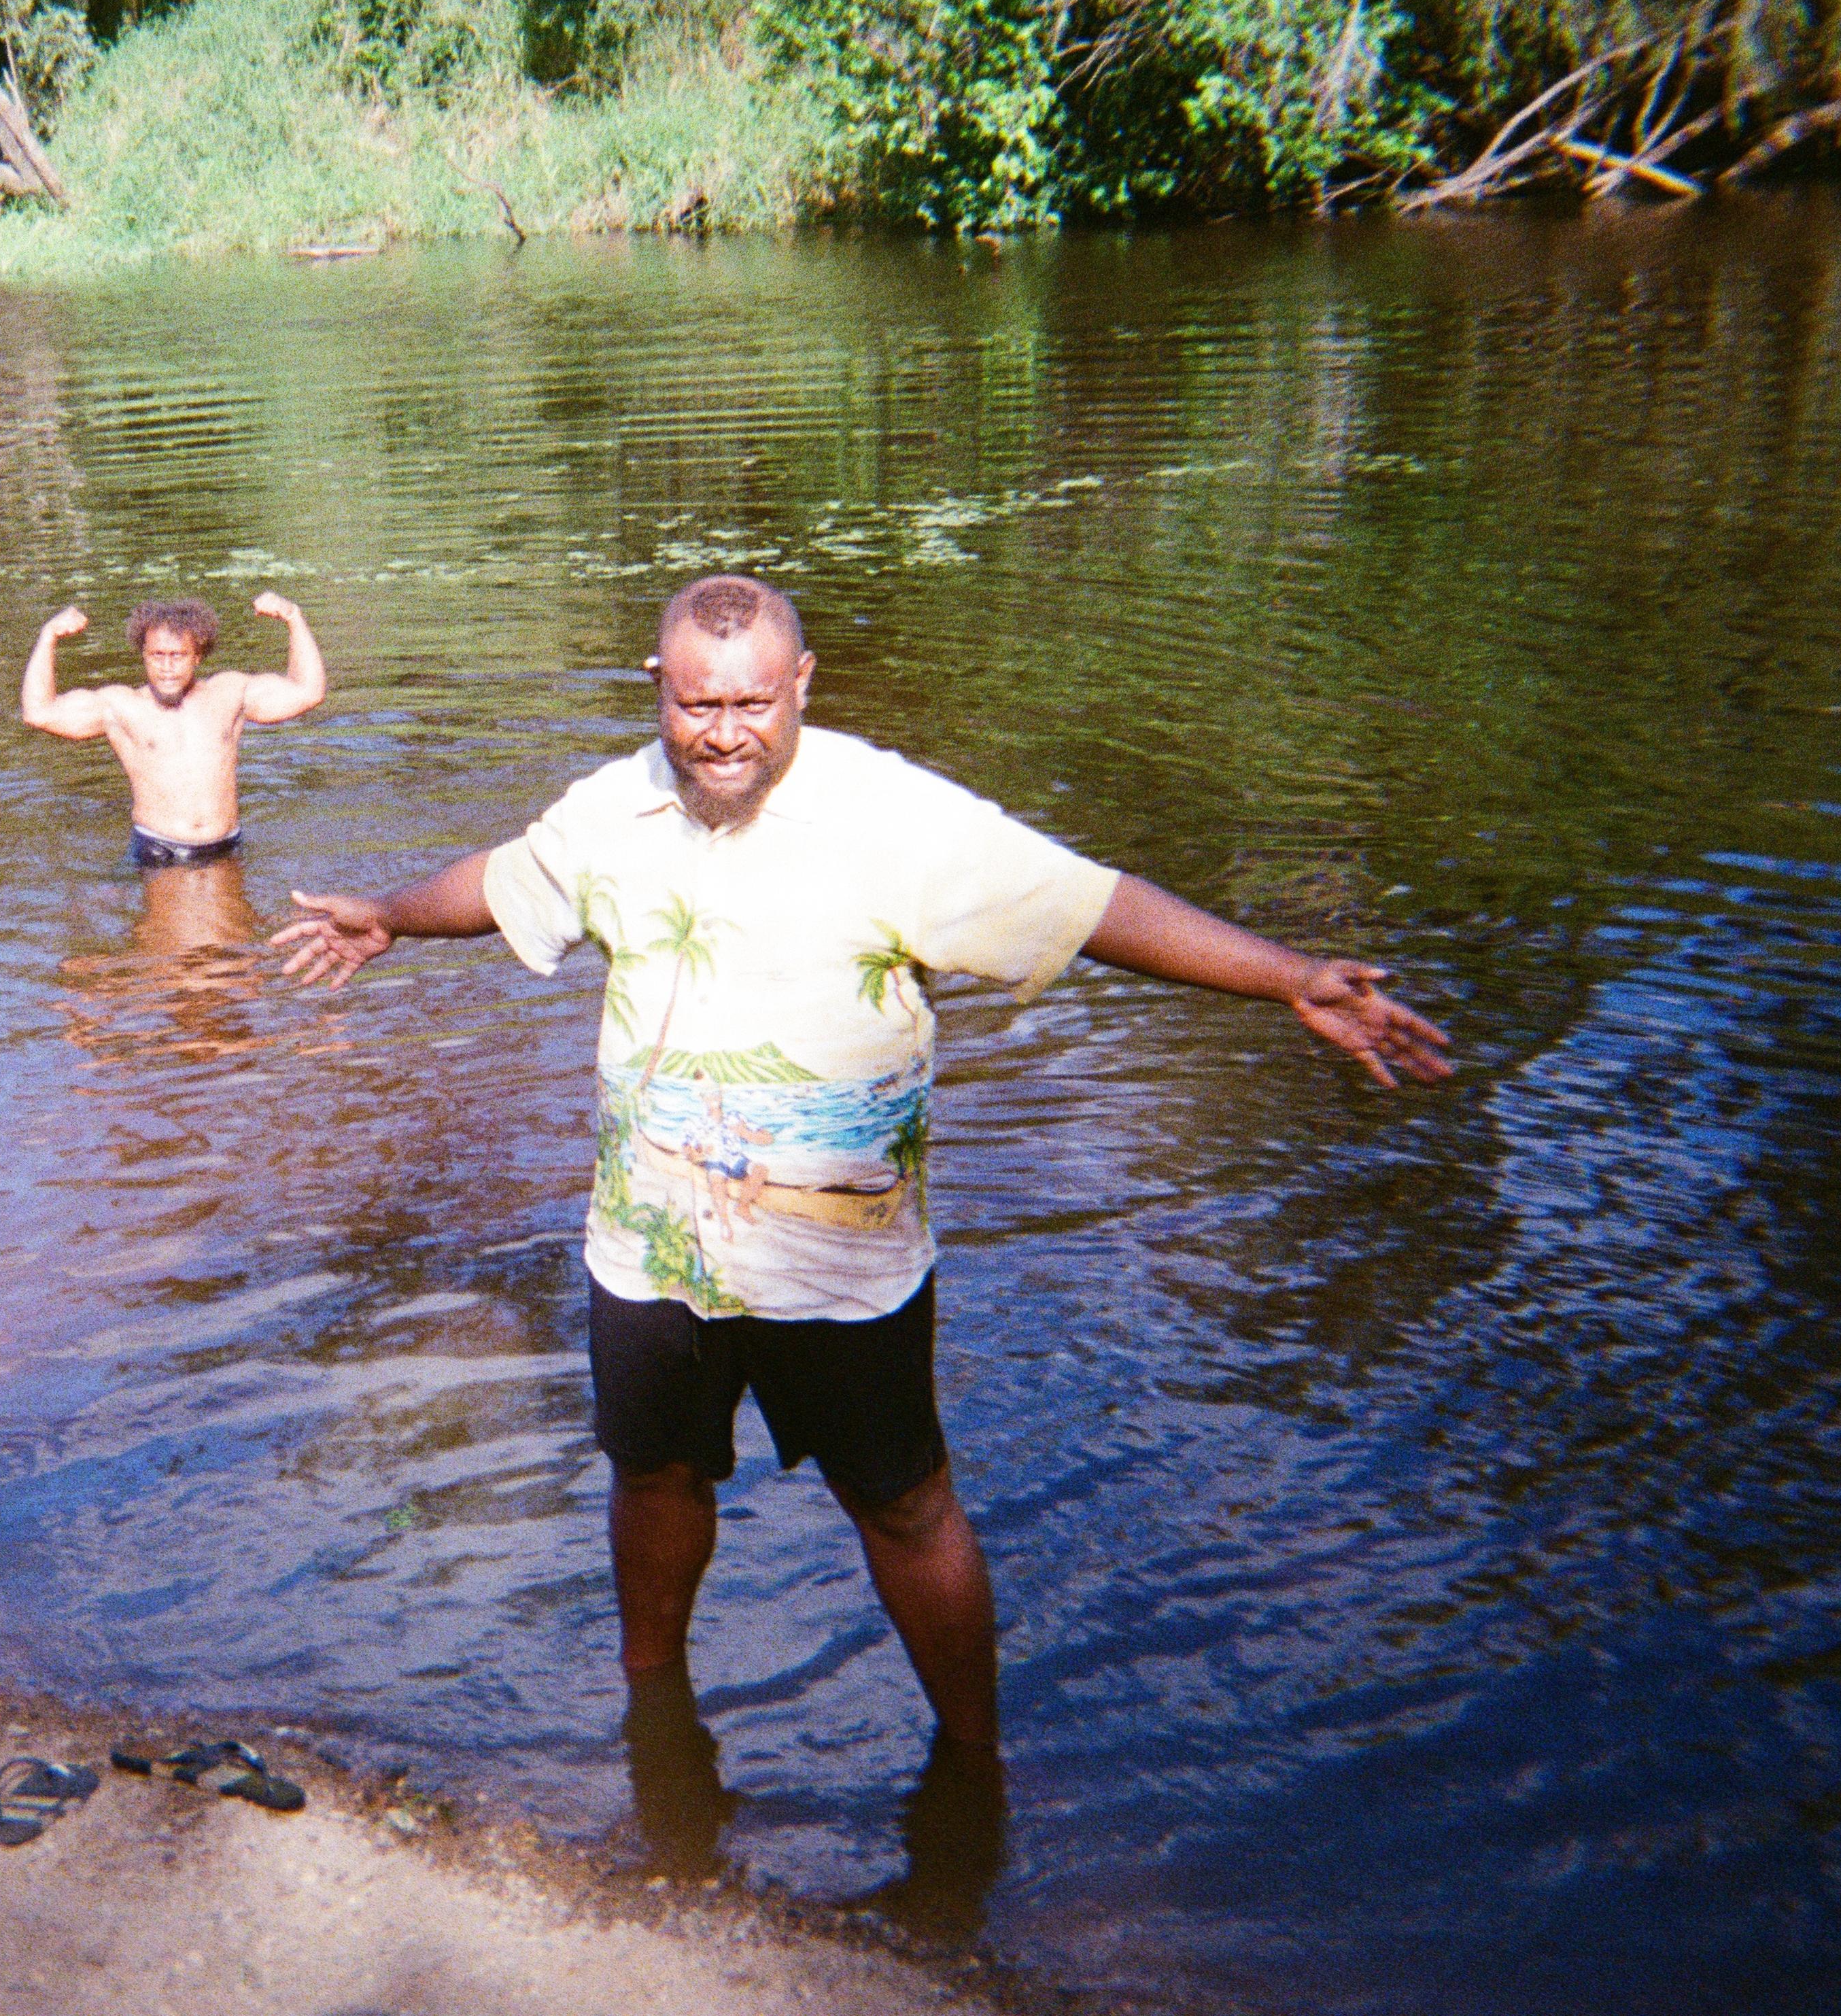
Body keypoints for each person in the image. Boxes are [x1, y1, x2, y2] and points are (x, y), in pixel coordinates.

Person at [271, 574, 1451, 1780]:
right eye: (695, 704)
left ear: (802, 686)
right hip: (650, 1252)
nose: (724, 731)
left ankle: (972, 1761)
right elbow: (510, 878)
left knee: (904, 1504)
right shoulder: (610, 807)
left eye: (751, 702)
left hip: (841, 1270)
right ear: (657, 692)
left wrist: (1285, 977)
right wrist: (391, 918)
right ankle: (654, 1715)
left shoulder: (897, 821)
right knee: (656, 1474)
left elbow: (1094, 906)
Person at [19, 592, 326, 865]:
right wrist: (49, 637)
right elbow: (39, 712)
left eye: (177, 656)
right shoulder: (121, 706)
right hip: (159, 851)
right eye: (158, 655)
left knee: (236, 929)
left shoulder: (230, 693)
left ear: (197, 656)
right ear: (144, 655)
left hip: (226, 846)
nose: (167, 667)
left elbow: (308, 692)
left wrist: (293, 617)